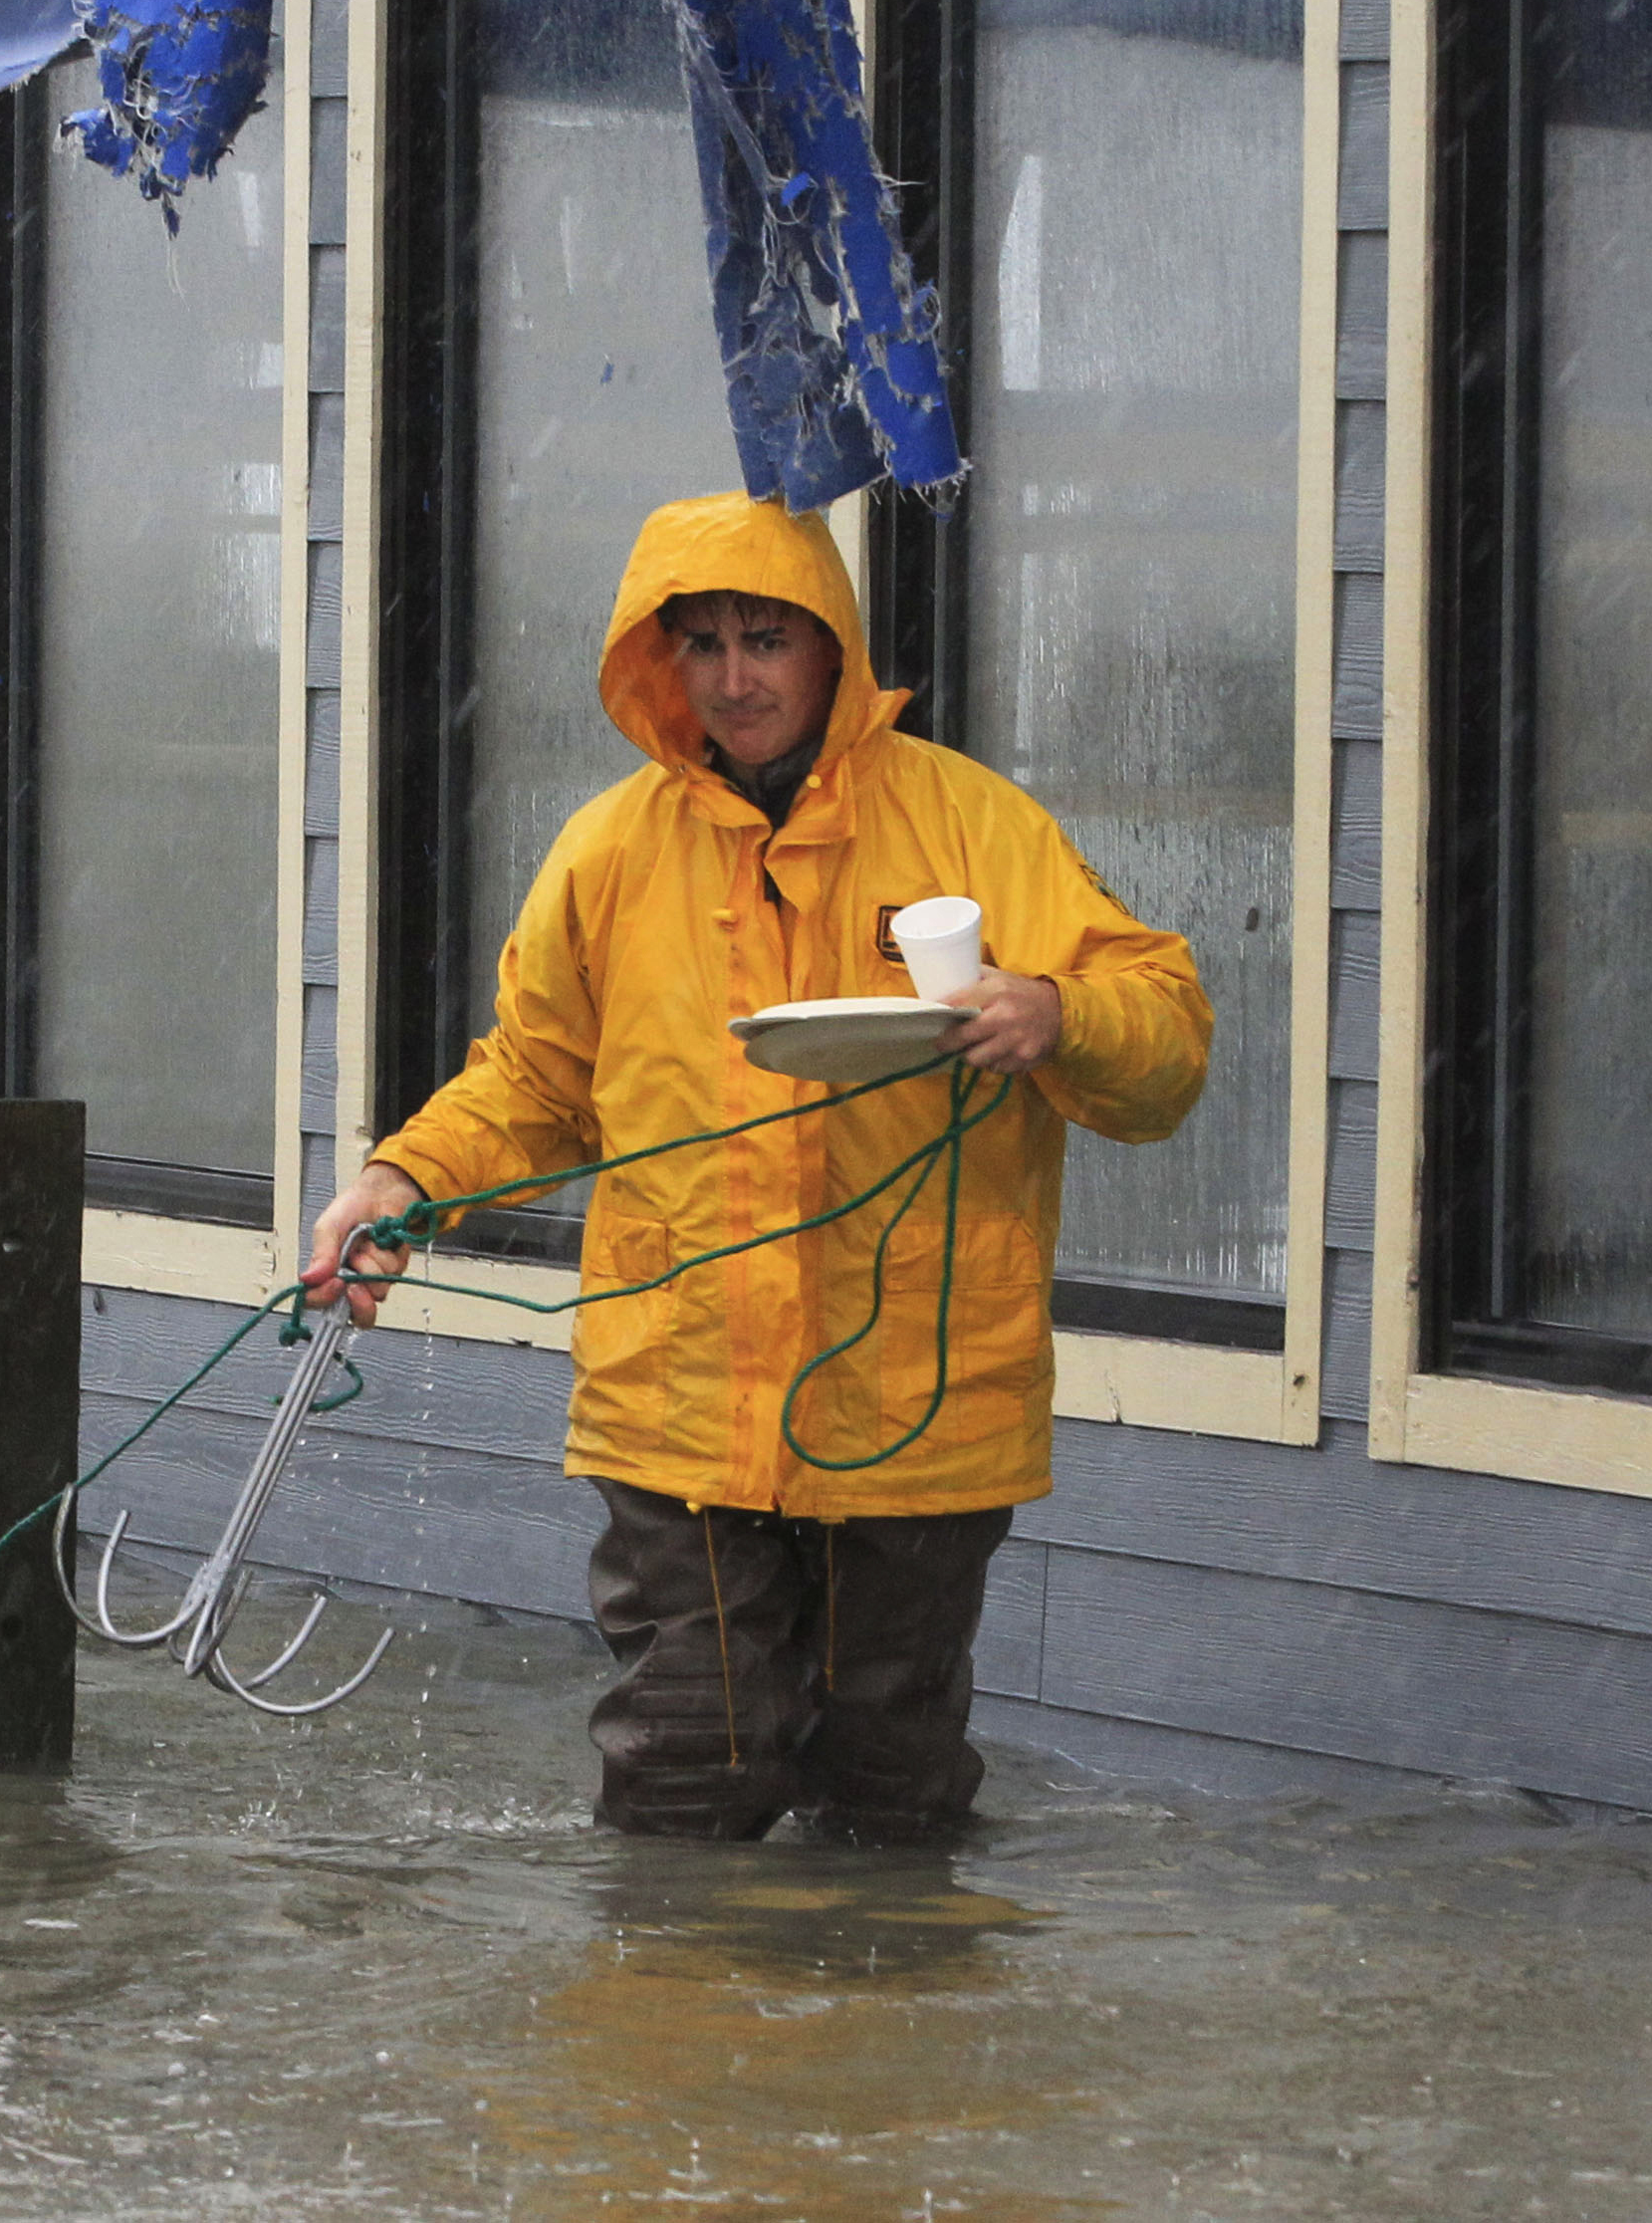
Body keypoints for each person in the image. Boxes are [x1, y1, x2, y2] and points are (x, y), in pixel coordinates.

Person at [302, 493, 1208, 1842]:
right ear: (660, 661)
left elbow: (1166, 1040)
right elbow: (535, 1080)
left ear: (830, 645)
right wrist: (399, 1182)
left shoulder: (973, 824)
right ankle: (676, 1986)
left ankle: (872, 1986)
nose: (734, 678)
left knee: (890, 1789)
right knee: (686, 1764)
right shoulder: (609, 851)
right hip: (678, 1402)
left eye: (766, 639)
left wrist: (1057, 1013)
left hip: (916, 1408)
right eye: (703, 644)